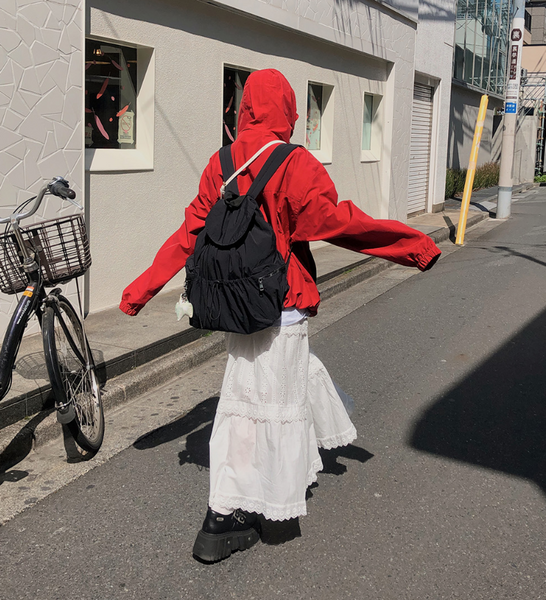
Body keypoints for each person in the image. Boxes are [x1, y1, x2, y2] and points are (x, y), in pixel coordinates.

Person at [119, 68, 441, 563]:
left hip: (236, 306)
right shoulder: (295, 164)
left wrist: (142, 289)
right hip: (281, 305)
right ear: (288, 111)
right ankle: (232, 517)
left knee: (249, 396)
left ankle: (247, 507)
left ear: (246, 108)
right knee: (271, 404)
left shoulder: (220, 162)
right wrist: (410, 243)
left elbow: (190, 234)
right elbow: (339, 223)